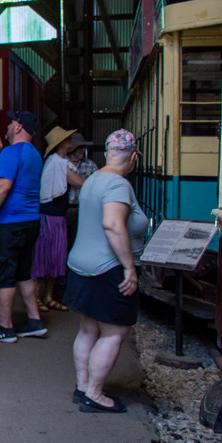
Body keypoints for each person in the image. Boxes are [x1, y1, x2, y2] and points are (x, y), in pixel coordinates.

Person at [63, 129, 149, 413]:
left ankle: (82, 386)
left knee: (88, 328)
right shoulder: (118, 185)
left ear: (107, 153)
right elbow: (112, 225)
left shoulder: (92, 180)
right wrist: (129, 268)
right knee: (114, 332)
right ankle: (94, 394)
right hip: (107, 269)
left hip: (80, 264)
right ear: (133, 156)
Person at [0, 111, 44, 343]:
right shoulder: (33, 154)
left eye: (13, 121)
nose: (9, 124)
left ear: (19, 128)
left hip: (9, 224)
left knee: (4, 275)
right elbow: (17, 174)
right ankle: (34, 321)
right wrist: (0, 154)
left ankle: (5, 328)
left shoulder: (12, 153)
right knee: (23, 273)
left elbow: (3, 186)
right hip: (30, 221)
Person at [33, 127, 85, 311]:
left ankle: (47, 297)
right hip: (50, 218)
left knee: (56, 259)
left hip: (56, 217)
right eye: (67, 138)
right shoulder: (57, 163)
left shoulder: (60, 162)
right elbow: (79, 183)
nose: (70, 140)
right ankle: (36, 298)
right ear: (61, 144)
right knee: (46, 259)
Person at [65, 132, 97, 249]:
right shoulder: (61, 163)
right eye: (79, 148)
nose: (82, 150)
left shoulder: (90, 165)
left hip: (82, 208)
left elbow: (96, 186)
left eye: (83, 148)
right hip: (64, 208)